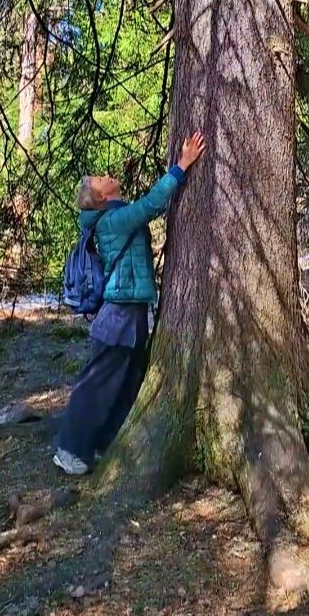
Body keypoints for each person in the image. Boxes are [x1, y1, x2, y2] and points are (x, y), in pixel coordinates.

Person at [53, 132, 206, 475]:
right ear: (101, 198)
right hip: (117, 317)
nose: (108, 176)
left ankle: (102, 445)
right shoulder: (112, 222)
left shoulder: (114, 216)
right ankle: (69, 449)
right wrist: (182, 165)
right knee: (97, 384)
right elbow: (152, 204)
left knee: (127, 386)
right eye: (100, 180)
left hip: (131, 316)